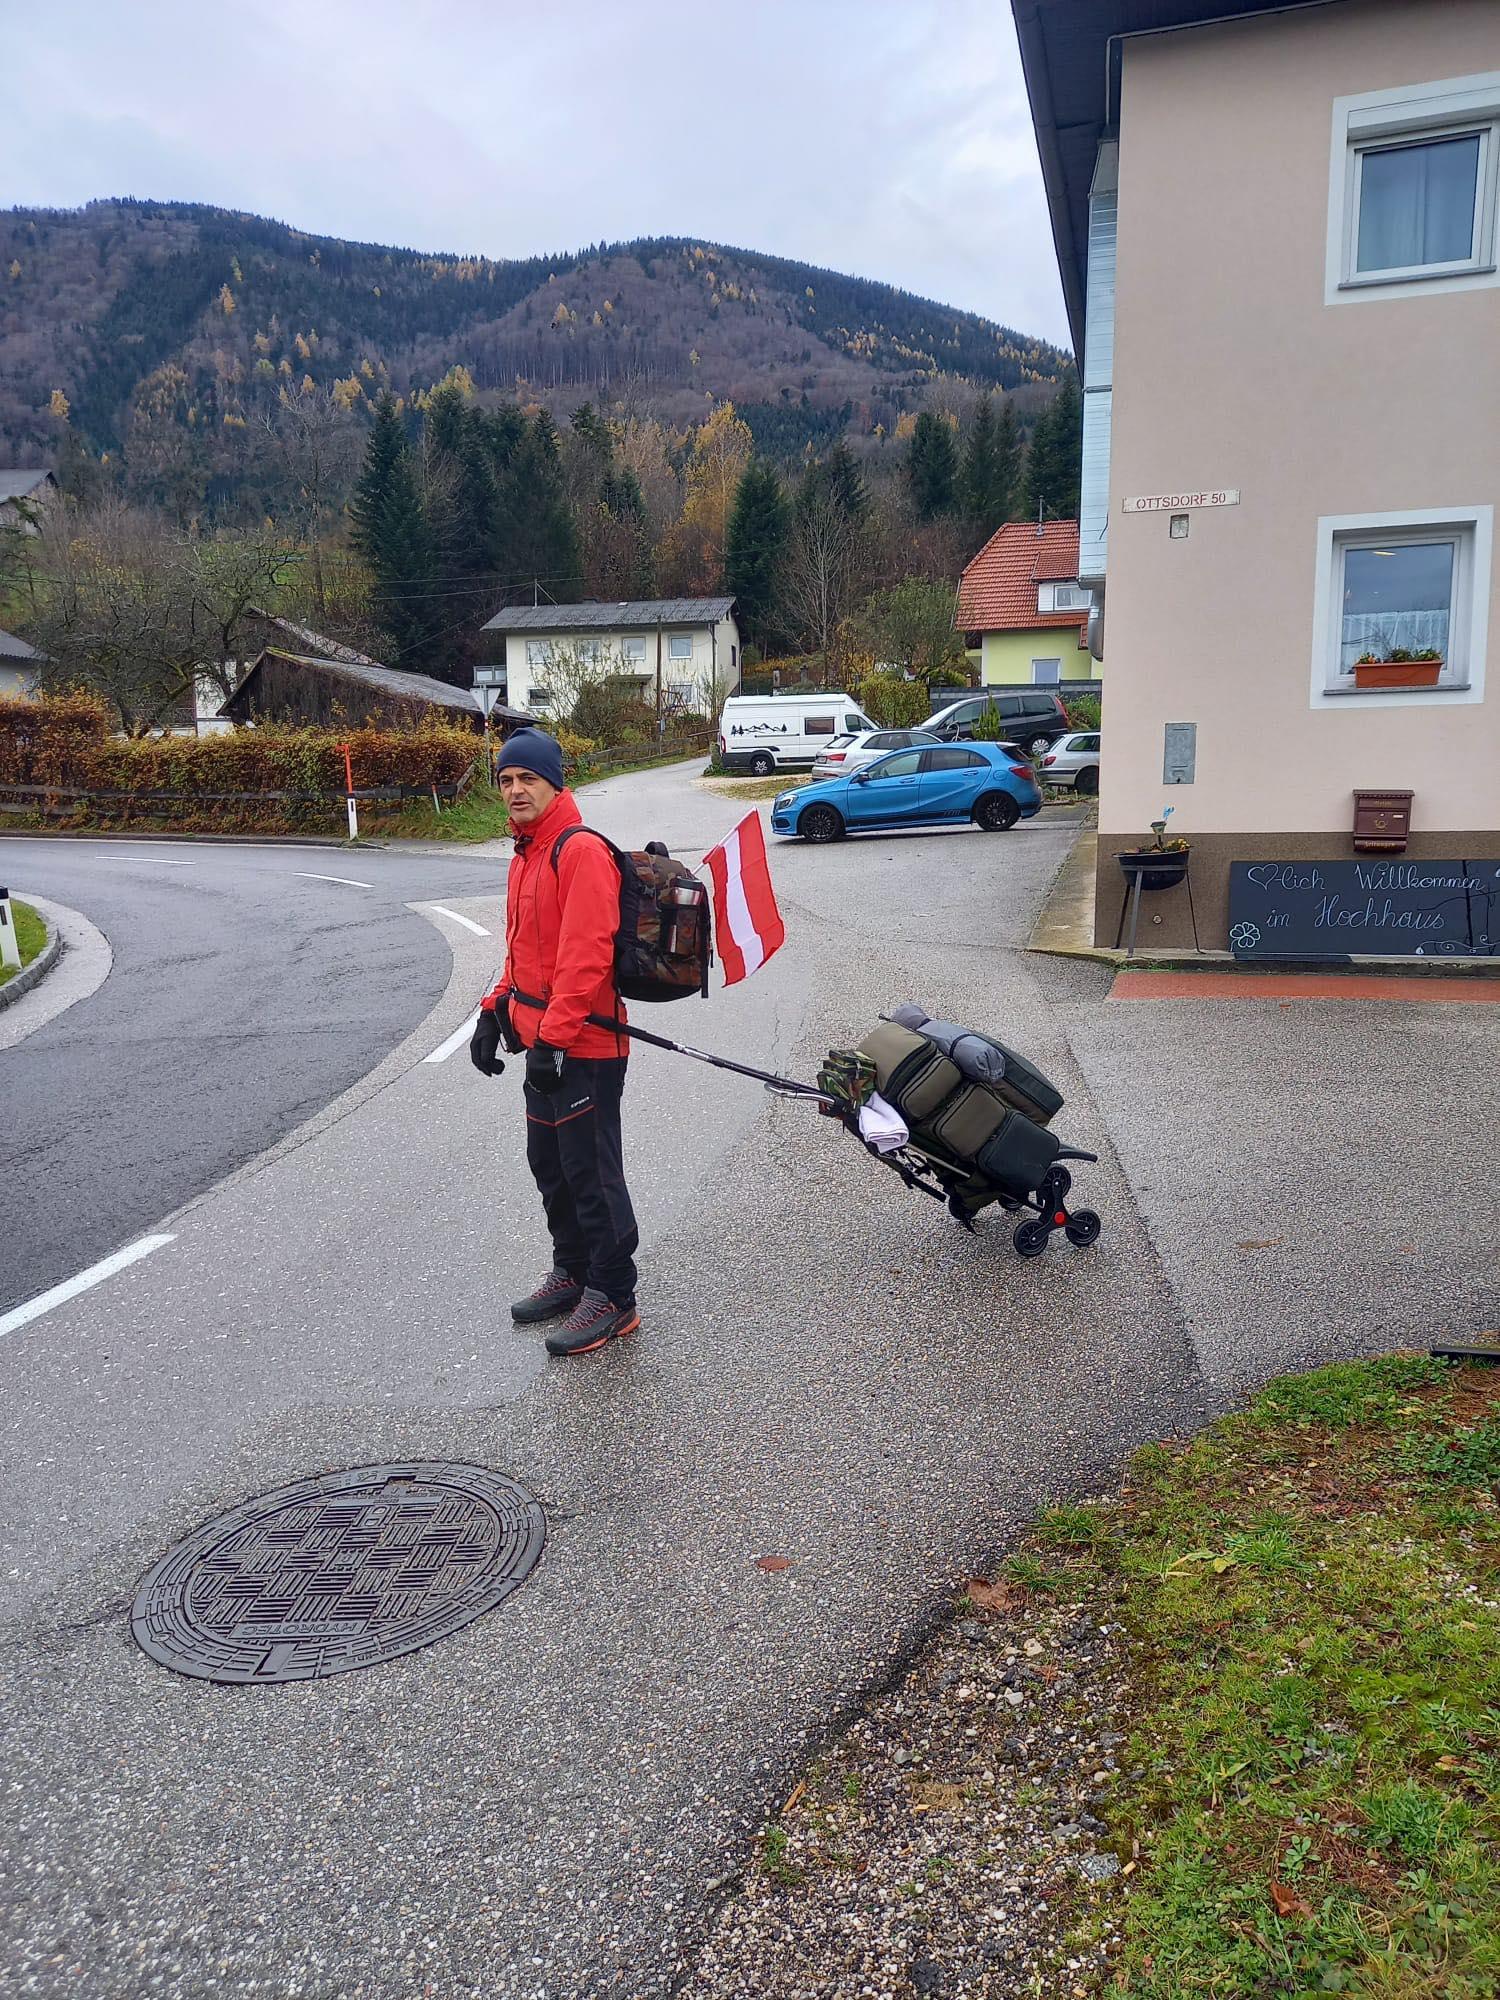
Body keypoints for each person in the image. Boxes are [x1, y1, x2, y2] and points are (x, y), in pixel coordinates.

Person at [469, 727, 640, 1357]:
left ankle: (614, 1294)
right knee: (551, 1167)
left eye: (527, 779)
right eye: (506, 780)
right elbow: (525, 953)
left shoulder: (579, 851)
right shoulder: (526, 854)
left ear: (555, 783)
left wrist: (556, 1040)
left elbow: (586, 955)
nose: (514, 790)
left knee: (590, 1171)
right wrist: (493, 1012)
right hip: (545, 1043)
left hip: (586, 1048)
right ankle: (572, 1271)